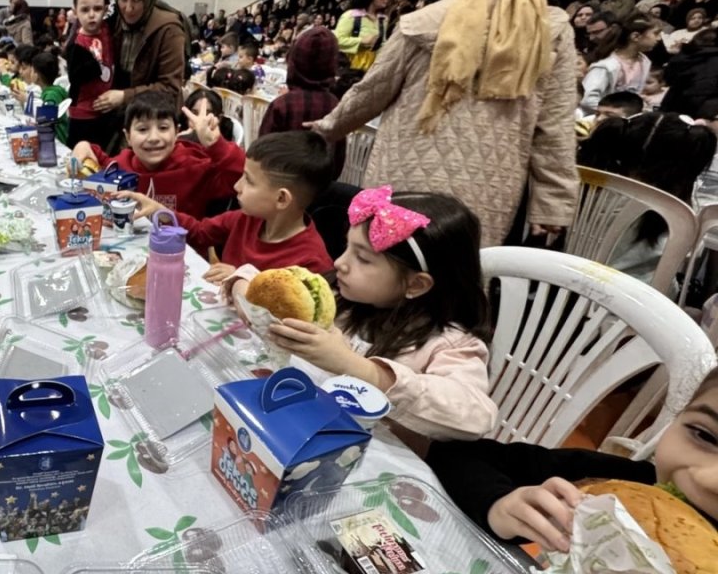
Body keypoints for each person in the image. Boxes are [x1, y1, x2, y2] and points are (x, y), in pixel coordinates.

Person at [312, 0, 578, 247]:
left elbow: (370, 94)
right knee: (461, 276)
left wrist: (326, 128)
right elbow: (555, 127)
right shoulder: (551, 27)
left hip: (401, 178)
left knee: (384, 270)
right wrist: (552, 206)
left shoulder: (423, 22)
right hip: (491, 189)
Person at [230, 188, 497, 446]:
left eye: (363, 258)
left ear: (416, 285)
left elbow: (476, 416)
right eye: (347, 247)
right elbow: (273, 285)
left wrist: (359, 368)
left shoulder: (450, 343)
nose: (339, 263)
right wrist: (241, 285)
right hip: (299, 425)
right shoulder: (342, 299)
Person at [429, 364, 718, 554]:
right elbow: (458, 453)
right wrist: (497, 505)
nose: (709, 480)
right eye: (706, 436)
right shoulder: (613, 484)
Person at [124, 130, 333, 275]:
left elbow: (294, 324)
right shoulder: (247, 219)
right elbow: (200, 232)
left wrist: (243, 281)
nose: (237, 187)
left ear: (281, 198)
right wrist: (160, 211)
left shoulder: (311, 263)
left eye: (249, 180)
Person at [579, 111, 716, 285]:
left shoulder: (587, 185)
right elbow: (688, 255)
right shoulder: (679, 211)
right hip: (634, 302)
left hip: (557, 283)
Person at [68, 91, 244, 220]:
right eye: (143, 129)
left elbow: (239, 179)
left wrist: (217, 145)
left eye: (163, 128)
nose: (153, 138)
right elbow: (98, 158)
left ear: (177, 133)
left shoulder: (197, 167)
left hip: (183, 256)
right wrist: (82, 146)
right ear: (128, 136)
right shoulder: (121, 165)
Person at [103, 0, 189, 121]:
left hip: (158, 117)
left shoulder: (169, 29)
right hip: (124, 114)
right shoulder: (115, 22)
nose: (128, 8)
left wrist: (124, 96)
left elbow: (169, 88)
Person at [259, 28, 346, 178]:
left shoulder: (283, 104)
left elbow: (261, 153)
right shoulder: (335, 105)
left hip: (278, 185)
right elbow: (338, 158)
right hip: (320, 189)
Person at [63, 0, 119, 150]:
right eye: (85, 10)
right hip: (83, 116)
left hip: (105, 112)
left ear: (105, 9)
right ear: (75, 11)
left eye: (97, 9)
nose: (92, 15)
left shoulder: (106, 28)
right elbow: (76, 77)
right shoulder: (76, 45)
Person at [580, 11, 660, 113]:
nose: (659, 38)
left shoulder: (644, 62)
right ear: (635, 36)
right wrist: (614, 113)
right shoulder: (606, 66)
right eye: (655, 33)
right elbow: (587, 100)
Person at [334, 0, 395, 72]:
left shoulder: (383, 19)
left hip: (371, 68)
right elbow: (337, 40)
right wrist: (361, 41)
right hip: (349, 66)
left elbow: (381, 44)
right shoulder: (351, 15)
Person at [661, 29, 718, 117]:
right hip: (701, 114)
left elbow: (667, 79)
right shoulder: (713, 60)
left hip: (670, 108)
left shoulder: (681, 56)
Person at [29, 50, 69, 144]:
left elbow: (46, 124)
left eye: (32, 70)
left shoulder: (51, 96)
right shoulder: (53, 91)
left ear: (37, 75)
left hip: (58, 141)